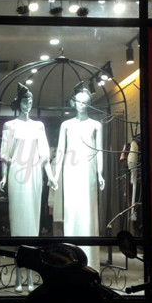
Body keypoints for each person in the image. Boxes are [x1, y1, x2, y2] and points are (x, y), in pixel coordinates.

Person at [0, 83, 57, 292]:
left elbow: (44, 156)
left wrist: (51, 176)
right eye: (25, 100)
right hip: (16, 173)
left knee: (32, 223)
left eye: (31, 100)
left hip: (34, 173)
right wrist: (3, 177)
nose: (28, 104)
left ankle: (31, 274)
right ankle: (18, 276)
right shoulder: (10, 126)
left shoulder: (38, 126)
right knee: (17, 225)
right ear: (19, 103)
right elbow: (5, 155)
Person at [54, 85, 104, 271]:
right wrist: (56, 174)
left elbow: (99, 150)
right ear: (74, 102)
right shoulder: (66, 125)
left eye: (85, 102)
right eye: (79, 101)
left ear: (89, 104)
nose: (81, 105)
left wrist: (100, 173)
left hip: (88, 171)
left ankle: (91, 262)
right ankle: (72, 260)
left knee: (88, 214)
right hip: (71, 170)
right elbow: (60, 150)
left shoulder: (96, 125)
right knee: (72, 213)